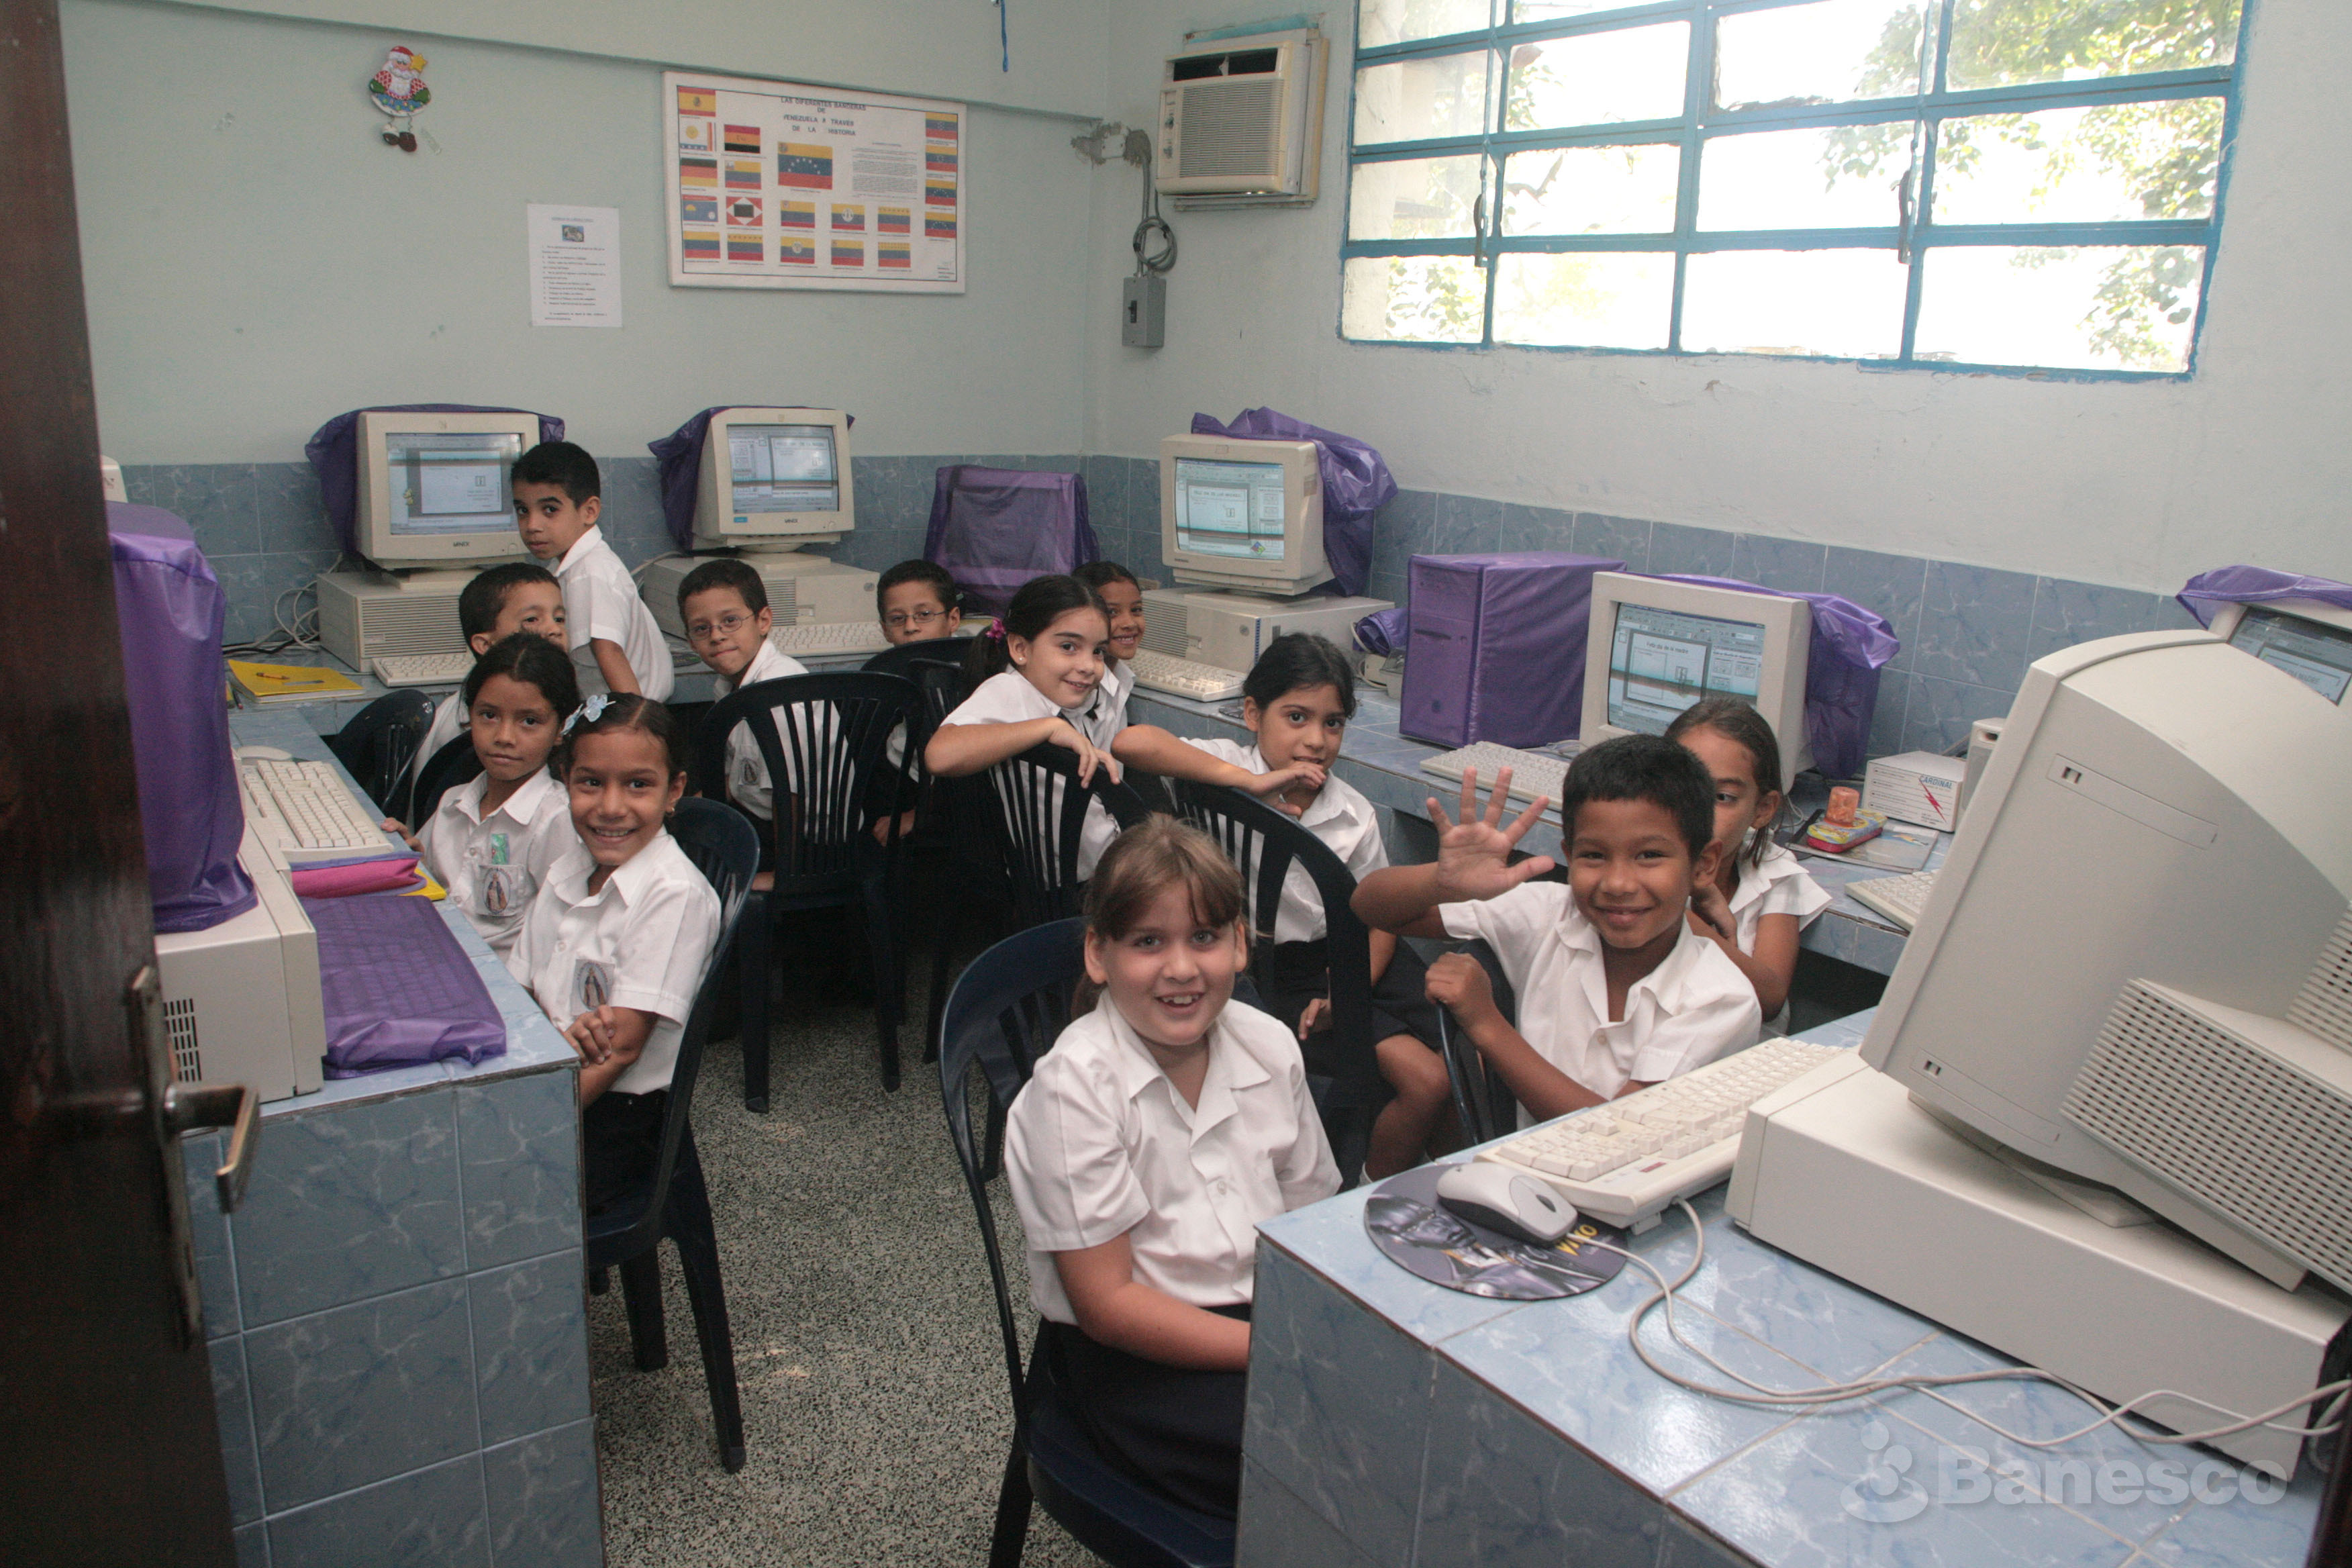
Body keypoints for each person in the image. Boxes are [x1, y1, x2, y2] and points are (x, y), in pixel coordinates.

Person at [1003, 817, 1339, 1520]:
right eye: (1148, 942)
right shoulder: (1073, 1089)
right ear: (1098, 954)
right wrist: (1279, 1348)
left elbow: (1314, 1219)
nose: (1181, 968)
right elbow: (1108, 1306)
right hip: (1139, 1354)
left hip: (1266, 1310)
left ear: (1240, 943)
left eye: (1204, 937)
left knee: (1407, 1421)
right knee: (1338, 1470)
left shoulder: (1270, 1045)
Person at [1112, 633, 1453, 1178]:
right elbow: (1132, 743)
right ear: (1253, 714)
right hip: (1278, 973)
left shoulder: (1354, 813)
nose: (1316, 740)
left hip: (1359, 959)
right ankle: (1362, 1198)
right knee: (1426, 1080)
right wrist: (1247, 783)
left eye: (1333, 723)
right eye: (1296, 717)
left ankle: (1449, 1181)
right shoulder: (1226, 765)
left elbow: (1382, 921)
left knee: (1468, 1055)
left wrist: (1351, 989)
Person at [1352, 734, 1761, 1124]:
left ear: (1703, 865)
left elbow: (1619, 1137)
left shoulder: (1722, 1000)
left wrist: (1486, 1025)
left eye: (1649, 855)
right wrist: (1442, 883)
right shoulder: (1548, 913)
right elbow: (1370, 907)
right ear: (1569, 855)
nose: (1618, 883)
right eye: (1594, 856)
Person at [507, 695, 720, 1213]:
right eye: (590, 782)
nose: (610, 806)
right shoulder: (568, 869)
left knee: (464, 1187)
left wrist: (532, 1126)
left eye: (638, 785)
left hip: (616, 1112)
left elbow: (621, 1050)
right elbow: (522, 989)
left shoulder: (673, 894)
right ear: (565, 779)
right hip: (558, 1070)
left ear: (674, 791)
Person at [923, 574, 1122, 878]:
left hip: (1100, 871)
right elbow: (940, 755)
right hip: (1074, 885)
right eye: (1068, 646)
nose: (1088, 666)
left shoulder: (1069, 699)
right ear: (1020, 649)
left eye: (1098, 651)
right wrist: (1048, 728)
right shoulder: (1011, 689)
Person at [411, 635, 581, 961]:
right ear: (470, 714)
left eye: (529, 721)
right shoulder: (453, 803)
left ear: (561, 728)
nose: (504, 737)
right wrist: (404, 857)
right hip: (436, 956)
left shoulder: (558, 819)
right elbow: (429, 883)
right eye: (489, 715)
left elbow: (563, 938)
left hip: (502, 980)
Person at [1665, 698, 1830, 1030]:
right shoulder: (1636, 871)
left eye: (1722, 797)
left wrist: (1690, 928)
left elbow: (1769, 1000)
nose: (1698, 811)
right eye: (1681, 790)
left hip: (1743, 1055)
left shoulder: (1773, 873)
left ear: (1763, 809)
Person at [511, 440, 673, 701]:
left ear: (589, 511)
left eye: (550, 510)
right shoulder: (570, 566)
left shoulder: (590, 572)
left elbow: (610, 653)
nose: (532, 525)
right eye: (523, 510)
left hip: (628, 711)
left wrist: (632, 722)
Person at [677, 558, 807, 827]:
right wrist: (680, 813)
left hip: (799, 836)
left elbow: (789, 797)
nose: (716, 636)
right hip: (755, 812)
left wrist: (782, 862)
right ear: (690, 641)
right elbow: (740, 776)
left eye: (730, 621)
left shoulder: (777, 694)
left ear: (763, 621)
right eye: (701, 628)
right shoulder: (728, 685)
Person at [412, 561, 568, 782]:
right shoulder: (472, 733)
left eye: (559, 619)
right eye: (532, 620)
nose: (555, 630)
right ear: (486, 645)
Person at [1072, 559, 1144, 749]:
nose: (1129, 623)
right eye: (1112, 612)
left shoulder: (1120, 677)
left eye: (1136, 610)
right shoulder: (1081, 684)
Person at [875, 558, 965, 646]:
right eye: (897, 618)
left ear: (953, 620)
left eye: (924, 614)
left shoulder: (970, 655)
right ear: (885, 629)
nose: (910, 628)